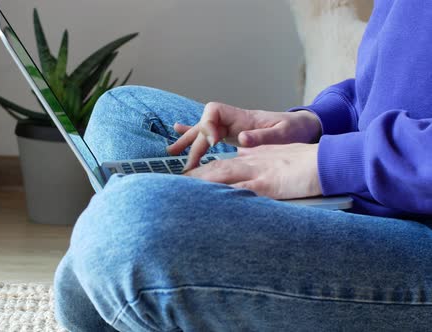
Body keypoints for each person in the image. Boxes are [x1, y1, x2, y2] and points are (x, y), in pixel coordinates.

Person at [54, 1, 432, 331]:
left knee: (125, 226)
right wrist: (314, 123)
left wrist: (330, 162)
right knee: (127, 113)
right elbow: (386, 81)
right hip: (377, 182)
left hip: (414, 227)